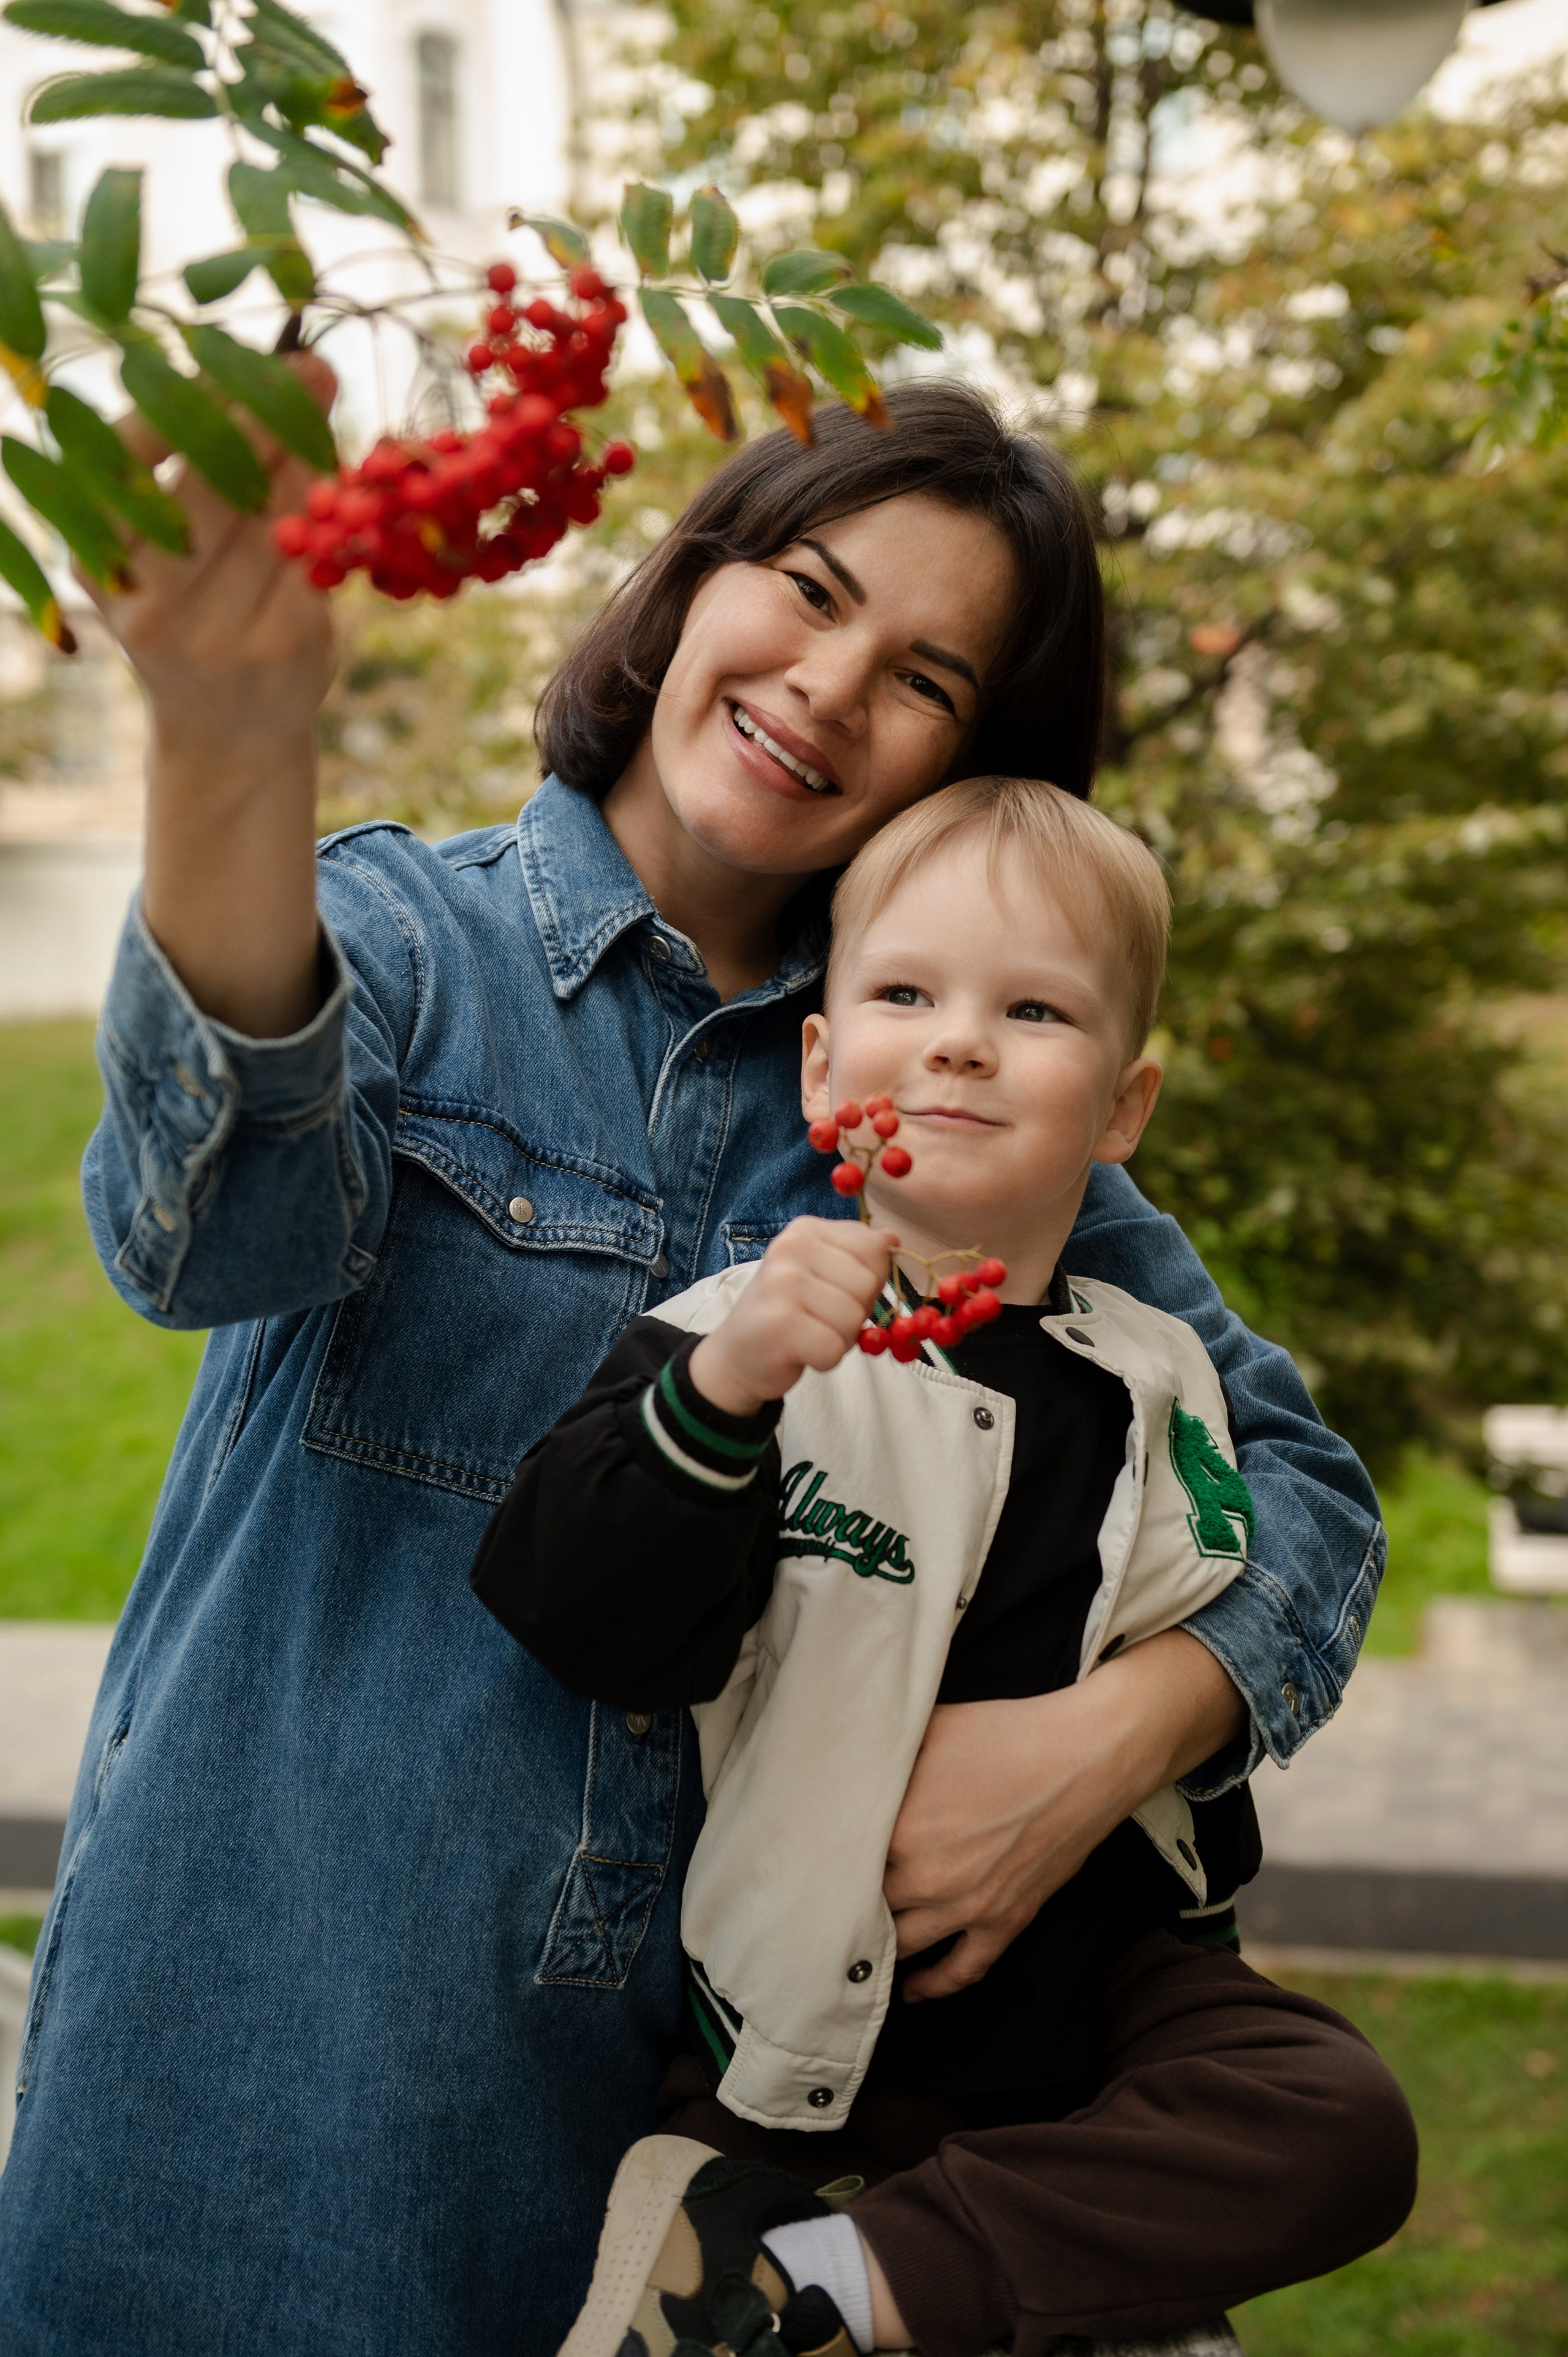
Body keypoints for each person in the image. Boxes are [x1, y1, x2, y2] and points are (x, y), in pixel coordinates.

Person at [0, 379, 1388, 2357]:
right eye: (806, 589)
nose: (826, 685)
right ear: (689, 585)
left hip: (726, 2134)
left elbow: (1307, 1499)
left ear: (970, 760)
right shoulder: (410, 945)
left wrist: (1113, 1738)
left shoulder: (941, 1100)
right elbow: (202, 1233)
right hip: (295, 2068)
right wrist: (227, 740)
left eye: (922, 675)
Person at [470, 777, 1417, 2357]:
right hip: (820, 2018)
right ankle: (819, 2249)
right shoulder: (743, 1338)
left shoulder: (1165, 1369)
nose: (962, 1039)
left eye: (1034, 1009)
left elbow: (1216, 1598)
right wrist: (722, 1396)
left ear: (1122, 1111)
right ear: (825, 1066)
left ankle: (824, 2286)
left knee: (1341, 2121)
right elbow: (583, 1614)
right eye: (906, 994)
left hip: (1111, 2002)